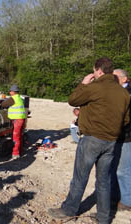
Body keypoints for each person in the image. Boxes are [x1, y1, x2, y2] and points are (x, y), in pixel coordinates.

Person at [48, 58, 130, 224]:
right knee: (104, 181)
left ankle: (69, 210)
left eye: (94, 71)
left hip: (92, 139)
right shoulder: (123, 93)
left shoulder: (95, 87)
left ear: (99, 71)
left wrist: (84, 83)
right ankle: (104, 217)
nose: (93, 74)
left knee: (80, 177)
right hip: (111, 141)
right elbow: (126, 119)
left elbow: (73, 100)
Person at [113, 68, 131, 211]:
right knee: (115, 168)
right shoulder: (117, 92)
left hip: (126, 137)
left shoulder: (128, 94)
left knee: (123, 170)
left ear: (124, 79)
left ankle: (126, 201)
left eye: (116, 77)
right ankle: (118, 196)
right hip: (117, 136)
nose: (112, 79)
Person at [0, 84, 26, 159]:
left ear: (13, 92)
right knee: (20, 136)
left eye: (10, 91)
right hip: (21, 119)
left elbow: (4, 104)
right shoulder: (19, 98)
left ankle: (15, 154)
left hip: (17, 120)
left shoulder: (13, 98)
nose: (10, 92)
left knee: (15, 137)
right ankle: (21, 151)